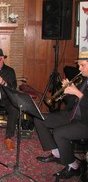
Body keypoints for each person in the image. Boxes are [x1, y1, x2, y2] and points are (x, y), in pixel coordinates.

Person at [34, 50, 88, 179]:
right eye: (79, 65)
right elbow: (72, 103)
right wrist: (67, 91)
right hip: (72, 114)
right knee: (39, 119)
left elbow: (82, 100)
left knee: (59, 132)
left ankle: (73, 166)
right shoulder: (84, 80)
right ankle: (57, 153)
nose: (79, 68)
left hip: (85, 121)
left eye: (82, 65)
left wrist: (77, 93)